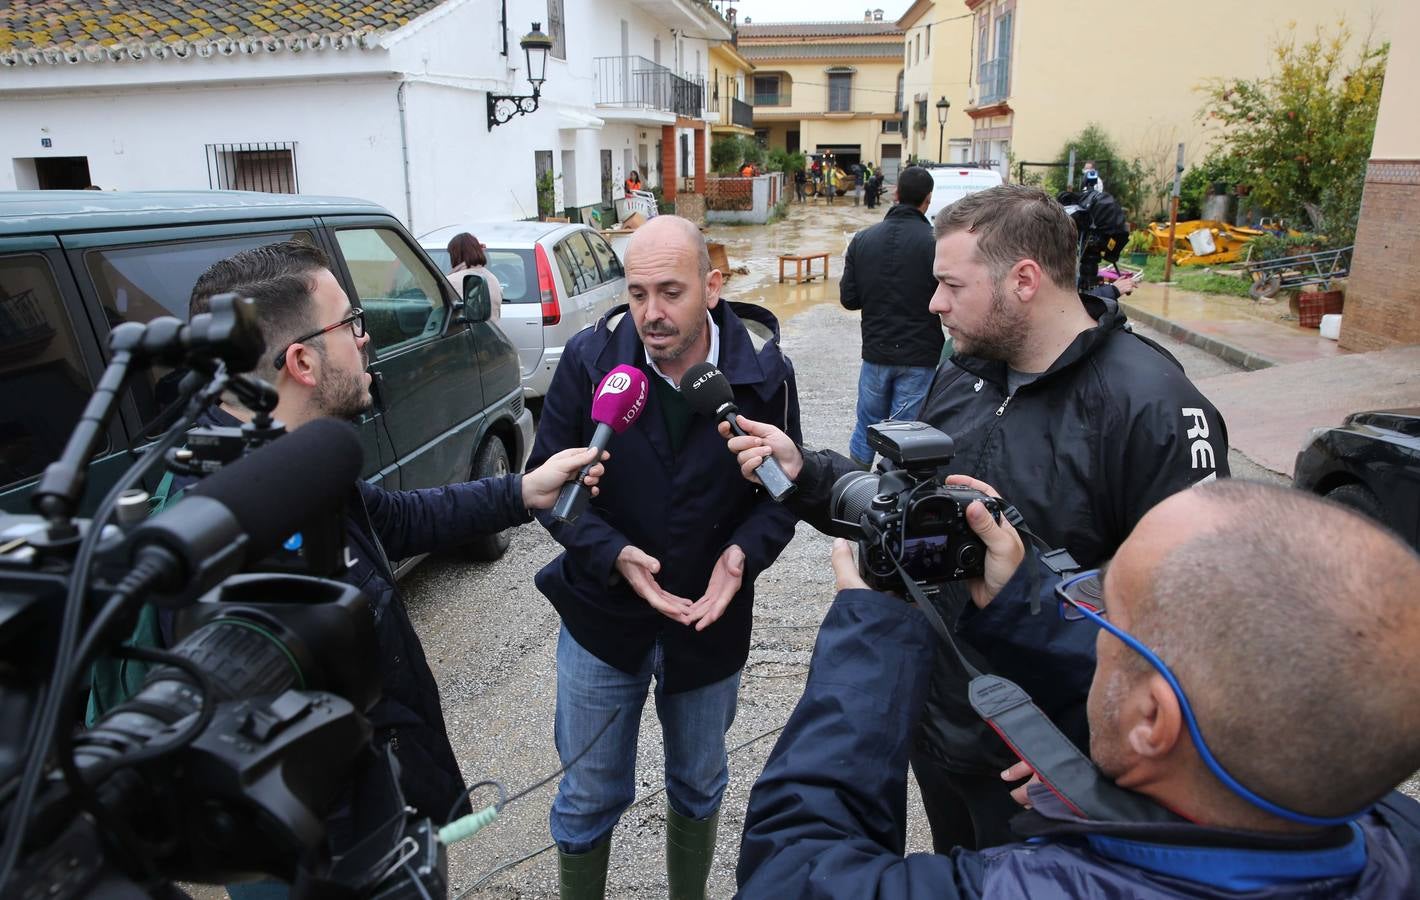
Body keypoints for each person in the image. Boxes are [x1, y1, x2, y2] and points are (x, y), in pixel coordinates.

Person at [722, 184, 1229, 853]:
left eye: (950, 285)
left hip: (1047, 766)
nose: (934, 304)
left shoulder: (1154, 408)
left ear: (1023, 279)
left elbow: (1192, 634)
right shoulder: (963, 371)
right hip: (940, 731)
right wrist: (809, 472)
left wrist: (1102, 761)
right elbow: (902, 512)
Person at [737, 478, 1420, 897]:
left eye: (1105, 611)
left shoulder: (1028, 889)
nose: (1090, 625)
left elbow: (793, 873)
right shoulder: (1373, 814)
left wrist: (872, 643)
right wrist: (1019, 604)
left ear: (1154, 721)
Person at [181, 242, 608, 897]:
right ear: (300, 361)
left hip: (384, 818)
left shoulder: (297, 465)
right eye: (350, 323)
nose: (365, 340)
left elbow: (395, 520)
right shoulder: (219, 531)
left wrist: (524, 490)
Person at [526, 215, 801, 899]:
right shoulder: (591, 363)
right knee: (588, 795)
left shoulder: (763, 375)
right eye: (637, 291)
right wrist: (613, 553)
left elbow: (786, 493)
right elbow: (547, 488)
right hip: (600, 618)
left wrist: (742, 554)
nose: (650, 312)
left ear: (713, 285)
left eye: (670, 292)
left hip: (708, 625)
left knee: (700, 784)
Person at [839, 165, 941, 468]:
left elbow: (849, 299)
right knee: (904, 435)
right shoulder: (937, 244)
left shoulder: (862, 240)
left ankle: (853, 492)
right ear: (928, 199)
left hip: (876, 352)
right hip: (920, 356)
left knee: (866, 426)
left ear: (895, 194)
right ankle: (892, 501)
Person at [445, 232, 502, 321]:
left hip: (467, 333)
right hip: (492, 332)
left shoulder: (451, 281)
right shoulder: (492, 278)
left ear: (455, 254)